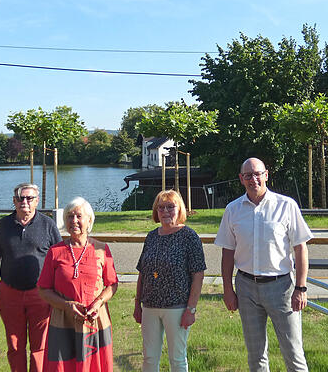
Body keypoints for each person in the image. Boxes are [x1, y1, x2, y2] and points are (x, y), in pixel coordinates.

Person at [214, 158, 314, 372]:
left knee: (293, 353)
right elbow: (227, 253)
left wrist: (301, 288)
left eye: (257, 174)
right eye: (248, 175)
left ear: (266, 175)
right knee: (256, 355)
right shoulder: (233, 210)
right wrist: (227, 289)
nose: (254, 179)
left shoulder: (286, 206)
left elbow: (301, 248)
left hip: (281, 289)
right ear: (241, 179)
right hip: (246, 288)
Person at [0, 183, 62, 372]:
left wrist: (58, 297)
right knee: (14, 345)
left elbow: (60, 262)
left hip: (41, 295)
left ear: (37, 201)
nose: (24, 202)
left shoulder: (48, 225)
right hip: (9, 293)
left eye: (29, 198)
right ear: (14, 201)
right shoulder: (3, 225)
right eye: (20, 198)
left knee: (40, 347)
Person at [38, 197, 119, 371]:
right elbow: (44, 290)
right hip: (63, 320)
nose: (73, 221)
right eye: (69, 216)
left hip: (95, 320)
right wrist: (66, 305)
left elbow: (112, 284)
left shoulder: (101, 249)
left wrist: (98, 303)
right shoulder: (55, 251)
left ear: (89, 220)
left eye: (78, 216)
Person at [133, 190, 206, 372]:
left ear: (179, 209)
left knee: (177, 359)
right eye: (161, 207)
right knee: (149, 358)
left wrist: (191, 309)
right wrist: (137, 304)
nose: (165, 211)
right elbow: (143, 272)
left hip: (177, 308)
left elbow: (198, 275)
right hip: (150, 307)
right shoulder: (151, 237)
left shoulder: (189, 237)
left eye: (170, 207)